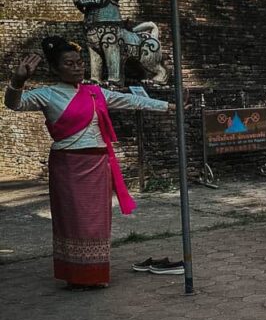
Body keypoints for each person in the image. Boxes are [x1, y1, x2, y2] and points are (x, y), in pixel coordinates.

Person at [5, 37, 175, 288]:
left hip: (96, 165)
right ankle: (76, 275)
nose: (77, 67)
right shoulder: (47, 95)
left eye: (79, 62)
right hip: (68, 166)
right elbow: (14, 104)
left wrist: (169, 106)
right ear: (55, 69)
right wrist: (18, 81)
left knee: (96, 222)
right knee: (73, 222)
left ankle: (95, 274)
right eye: (69, 63)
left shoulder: (95, 92)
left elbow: (131, 100)